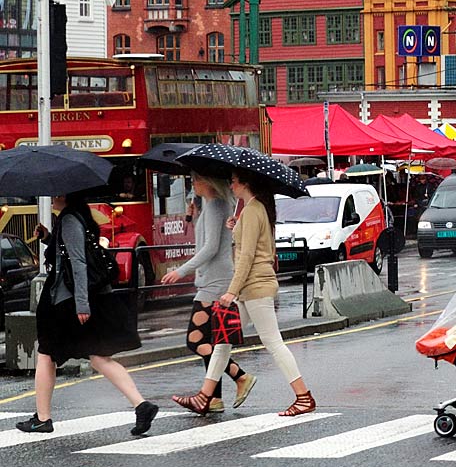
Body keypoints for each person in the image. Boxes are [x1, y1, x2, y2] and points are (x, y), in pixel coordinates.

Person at [172, 169, 316, 417]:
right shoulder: (255, 209)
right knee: (221, 341)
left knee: (273, 342)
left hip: (255, 286)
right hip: (251, 286)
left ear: (246, 184)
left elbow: (248, 256)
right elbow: (257, 247)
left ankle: (304, 397)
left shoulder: (252, 210)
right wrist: (236, 228)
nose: (231, 185)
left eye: (234, 181)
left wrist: (231, 291)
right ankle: (205, 397)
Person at [18, 192, 158, 436]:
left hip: (65, 301)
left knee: (45, 355)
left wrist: (81, 304)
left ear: (64, 196)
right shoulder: (81, 217)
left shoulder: (70, 219)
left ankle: (42, 418)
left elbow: (78, 262)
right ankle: (142, 405)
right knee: (99, 357)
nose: (51, 200)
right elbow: (68, 254)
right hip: (83, 298)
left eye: (54, 196)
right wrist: (49, 237)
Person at [160, 174, 256, 412]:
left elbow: (211, 247)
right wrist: (193, 220)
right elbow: (208, 241)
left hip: (215, 281)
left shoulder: (216, 206)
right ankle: (214, 398)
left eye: (196, 180)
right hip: (214, 278)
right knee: (212, 339)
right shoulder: (213, 206)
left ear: (209, 182)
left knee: (195, 339)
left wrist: (181, 271)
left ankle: (240, 376)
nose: (193, 184)